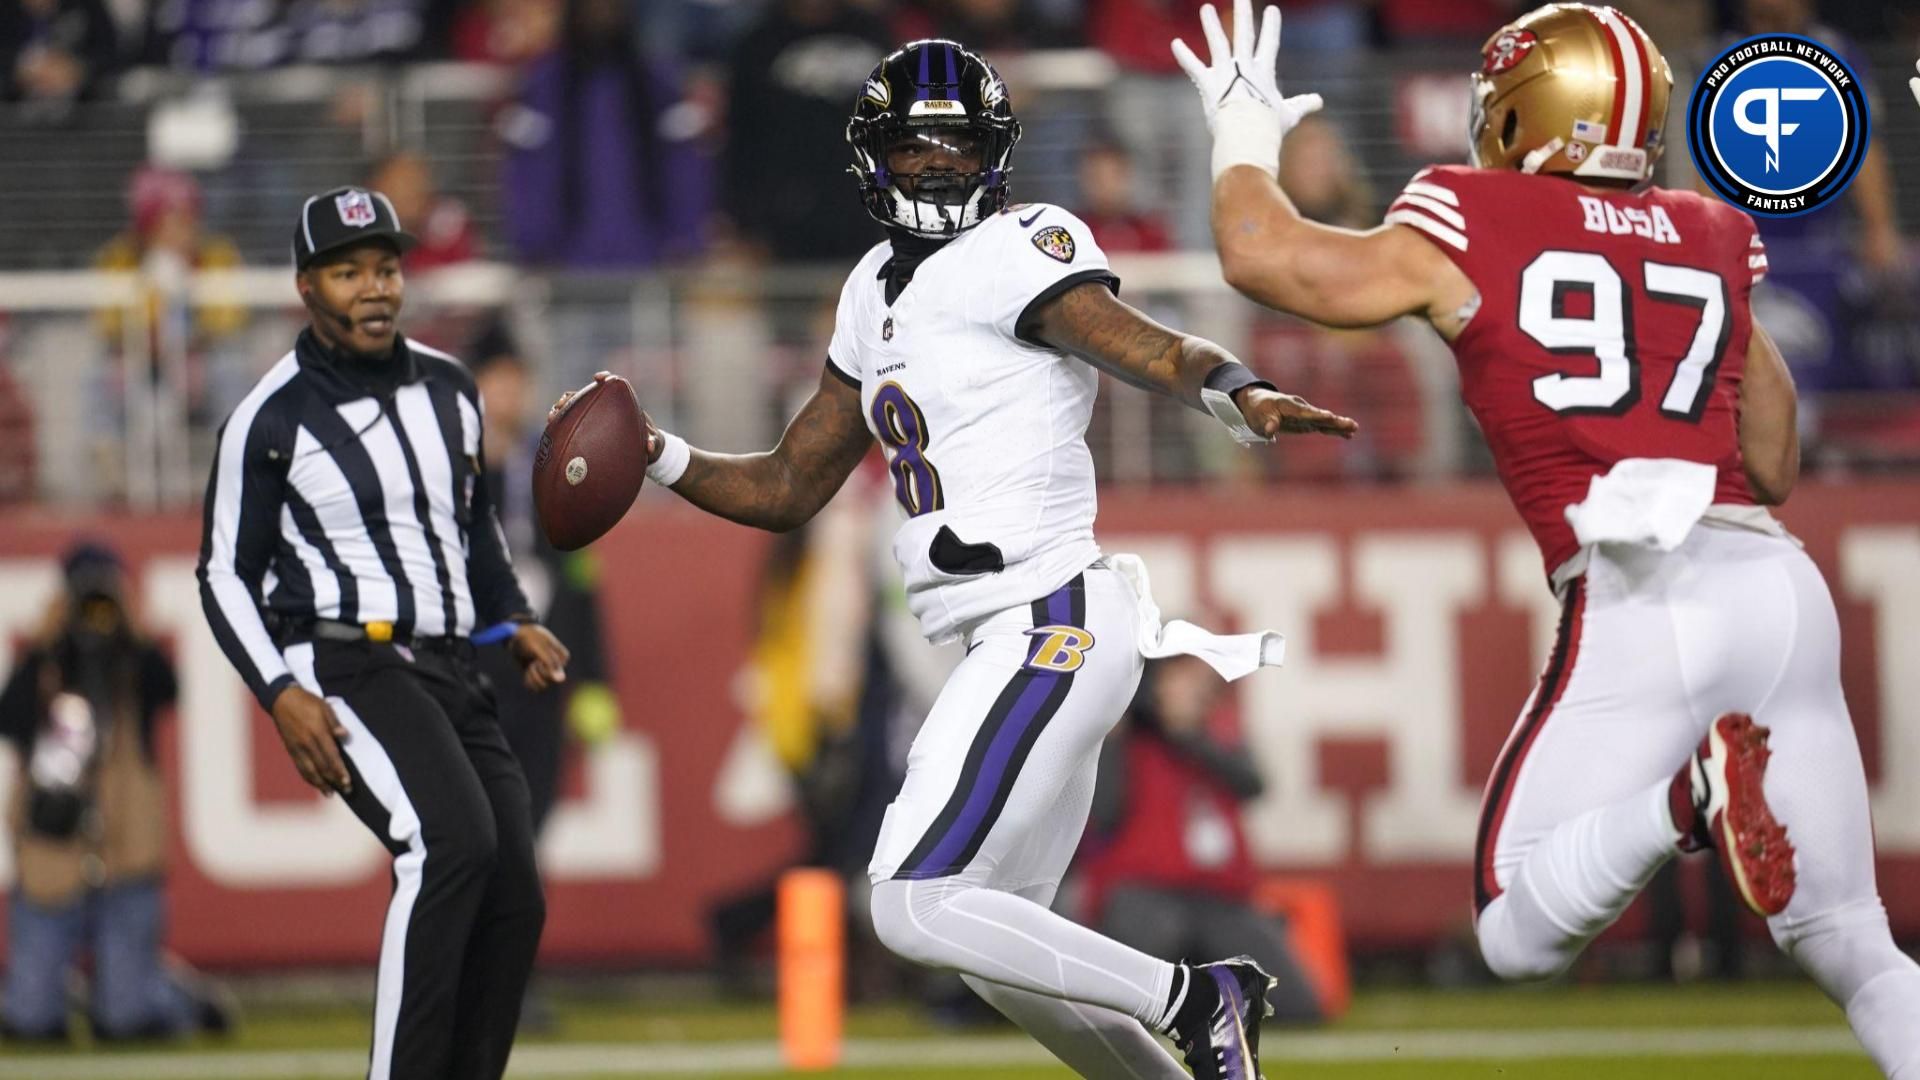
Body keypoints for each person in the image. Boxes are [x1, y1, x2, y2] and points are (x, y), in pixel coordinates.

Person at [554, 38, 1356, 1080]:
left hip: (1050, 616)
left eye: (955, 143)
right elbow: (789, 485)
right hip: (1010, 631)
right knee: (995, 951)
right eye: (914, 143)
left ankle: (1202, 993)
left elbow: (1142, 340)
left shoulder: (1023, 244)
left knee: (908, 900)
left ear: (994, 153)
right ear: (872, 156)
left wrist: (1233, 388)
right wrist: (656, 453)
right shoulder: (867, 291)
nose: (935, 163)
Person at [1172, 3, 1920, 1075]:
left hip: (1640, 588)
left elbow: (1265, 257)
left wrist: (1243, 133)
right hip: (1775, 588)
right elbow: (1774, 462)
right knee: (1850, 938)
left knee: (1514, 927)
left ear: (1531, 112)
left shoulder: (1473, 212)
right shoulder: (1713, 231)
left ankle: (1692, 794)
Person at [196, 186, 571, 1080]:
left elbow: (472, 529)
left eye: (386, 268)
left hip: (452, 665)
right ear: (306, 287)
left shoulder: (450, 388)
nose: (374, 288)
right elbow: (221, 575)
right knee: (447, 842)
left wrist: (511, 617)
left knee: (514, 891)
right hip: (344, 659)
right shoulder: (271, 417)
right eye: (348, 270)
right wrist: (282, 694)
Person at [1, 543, 231, 1043]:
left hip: (126, 854)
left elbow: (169, 688)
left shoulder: (136, 664)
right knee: (31, 1024)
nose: (95, 611)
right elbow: (9, 716)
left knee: (126, 1022)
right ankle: (70, 988)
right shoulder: (44, 661)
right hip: (53, 855)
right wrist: (47, 644)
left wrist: (134, 631)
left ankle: (171, 995)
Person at [1079, 655, 1325, 1024]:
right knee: (1131, 999)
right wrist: (1117, 735)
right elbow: (1103, 813)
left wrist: (1187, 735)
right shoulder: (1124, 739)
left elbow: (1252, 783)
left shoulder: (1218, 737)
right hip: (1143, 897)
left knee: (1295, 1004)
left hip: (1219, 901)